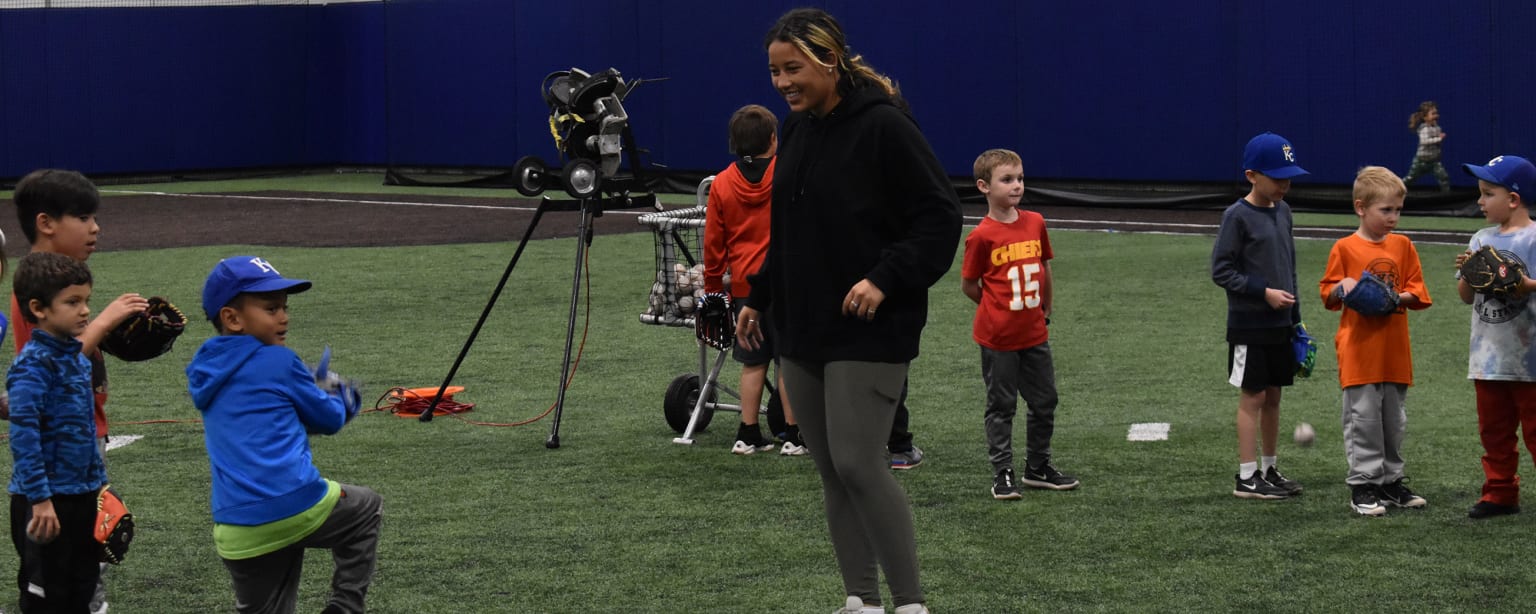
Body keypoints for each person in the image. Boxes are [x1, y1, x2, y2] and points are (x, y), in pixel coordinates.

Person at [738, 9, 960, 613]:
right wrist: (759, 295)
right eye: (775, 71)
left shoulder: (885, 126)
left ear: (829, 59)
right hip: (802, 325)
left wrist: (884, 280)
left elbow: (939, 218)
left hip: (870, 328)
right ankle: (859, 601)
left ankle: (910, 604)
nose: (783, 82)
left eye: (794, 68)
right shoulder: (801, 128)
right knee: (832, 469)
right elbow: (790, 227)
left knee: (861, 464)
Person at [186, 255, 381, 613]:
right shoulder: (280, 361)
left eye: (284, 307)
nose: (284, 317)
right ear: (232, 318)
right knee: (366, 507)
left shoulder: (203, 368)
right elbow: (329, 420)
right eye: (271, 308)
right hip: (298, 504)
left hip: (236, 527)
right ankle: (344, 606)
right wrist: (341, 396)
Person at [10, 168, 148, 614]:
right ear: (47, 223)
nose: (95, 227)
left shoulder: (60, 286)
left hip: (81, 463)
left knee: (84, 564)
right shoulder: (33, 296)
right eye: (84, 217)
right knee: (56, 582)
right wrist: (105, 322)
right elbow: (48, 372)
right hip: (58, 467)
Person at [960, 149, 1080, 501]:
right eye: (1007, 179)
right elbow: (969, 284)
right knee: (1002, 405)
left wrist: (1046, 309)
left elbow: (1044, 268)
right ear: (984, 186)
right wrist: (995, 308)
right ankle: (1003, 471)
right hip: (998, 338)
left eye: (1020, 178)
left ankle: (1038, 466)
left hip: (1034, 333)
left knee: (1045, 400)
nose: (1016, 186)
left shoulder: (1035, 222)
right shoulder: (981, 236)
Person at [1319, 166, 1432, 516]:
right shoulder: (1345, 247)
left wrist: (1395, 298)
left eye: (1398, 210)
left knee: (1393, 423)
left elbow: (1417, 291)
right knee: (1363, 421)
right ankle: (1363, 485)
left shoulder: (1403, 246)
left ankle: (1390, 482)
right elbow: (1329, 293)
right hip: (1359, 353)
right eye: (1386, 210)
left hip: (1395, 353)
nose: (1393, 218)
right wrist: (1344, 287)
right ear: (1360, 207)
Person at [703, 103, 806, 457]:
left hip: (746, 289)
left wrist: (714, 292)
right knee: (788, 361)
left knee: (752, 363)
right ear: (774, 139)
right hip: (786, 283)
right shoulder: (786, 173)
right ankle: (793, 435)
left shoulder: (721, 184)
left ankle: (747, 433)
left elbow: (713, 245)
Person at [7, 252, 107, 612]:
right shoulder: (31, 366)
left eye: (86, 301)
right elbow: (24, 438)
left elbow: (84, 431)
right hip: (46, 503)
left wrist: (100, 489)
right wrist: (40, 501)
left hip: (81, 496)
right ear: (39, 308)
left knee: (82, 590)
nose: (84, 311)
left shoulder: (76, 359)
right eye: (72, 302)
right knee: (46, 598)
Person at [1212, 132, 1308, 500]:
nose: (1284, 184)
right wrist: (1262, 292)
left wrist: (1297, 319)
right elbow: (1221, 270)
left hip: (1281, 324)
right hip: (1249, 324)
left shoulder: (1284, 212)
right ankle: (1247, 476)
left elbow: (1290, 267)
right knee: (1252, 397)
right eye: (1276, 177)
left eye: (1288, 177)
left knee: (1274, 396)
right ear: (1252, 175)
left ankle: (1269, 468)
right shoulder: (1236, 216)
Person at [1453, 155, 1536, 519]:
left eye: (1488, 194)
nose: (1480, 201)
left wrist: (1524, 285)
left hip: (1530, 359)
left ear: (1514, 199)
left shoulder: (1533, 238)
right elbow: (1466, 297)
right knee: (1494, 432)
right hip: (1488, 357)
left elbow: (1524, 287)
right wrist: (1469, 274)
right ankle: (1500, 492)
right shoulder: (1481, 237)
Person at [1402, 101, 1450, 192]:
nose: (1436, 116)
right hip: (1421, 161)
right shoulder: (1424, 129)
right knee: (1410, 178)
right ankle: (1397, 190)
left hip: (1434, 161)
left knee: (1444, 177)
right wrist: (1438, 139)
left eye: (1436, 113)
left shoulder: (1437, 128)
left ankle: (1447, 195)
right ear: (1425, 117)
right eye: (1433, 114)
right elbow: (1424, 141)